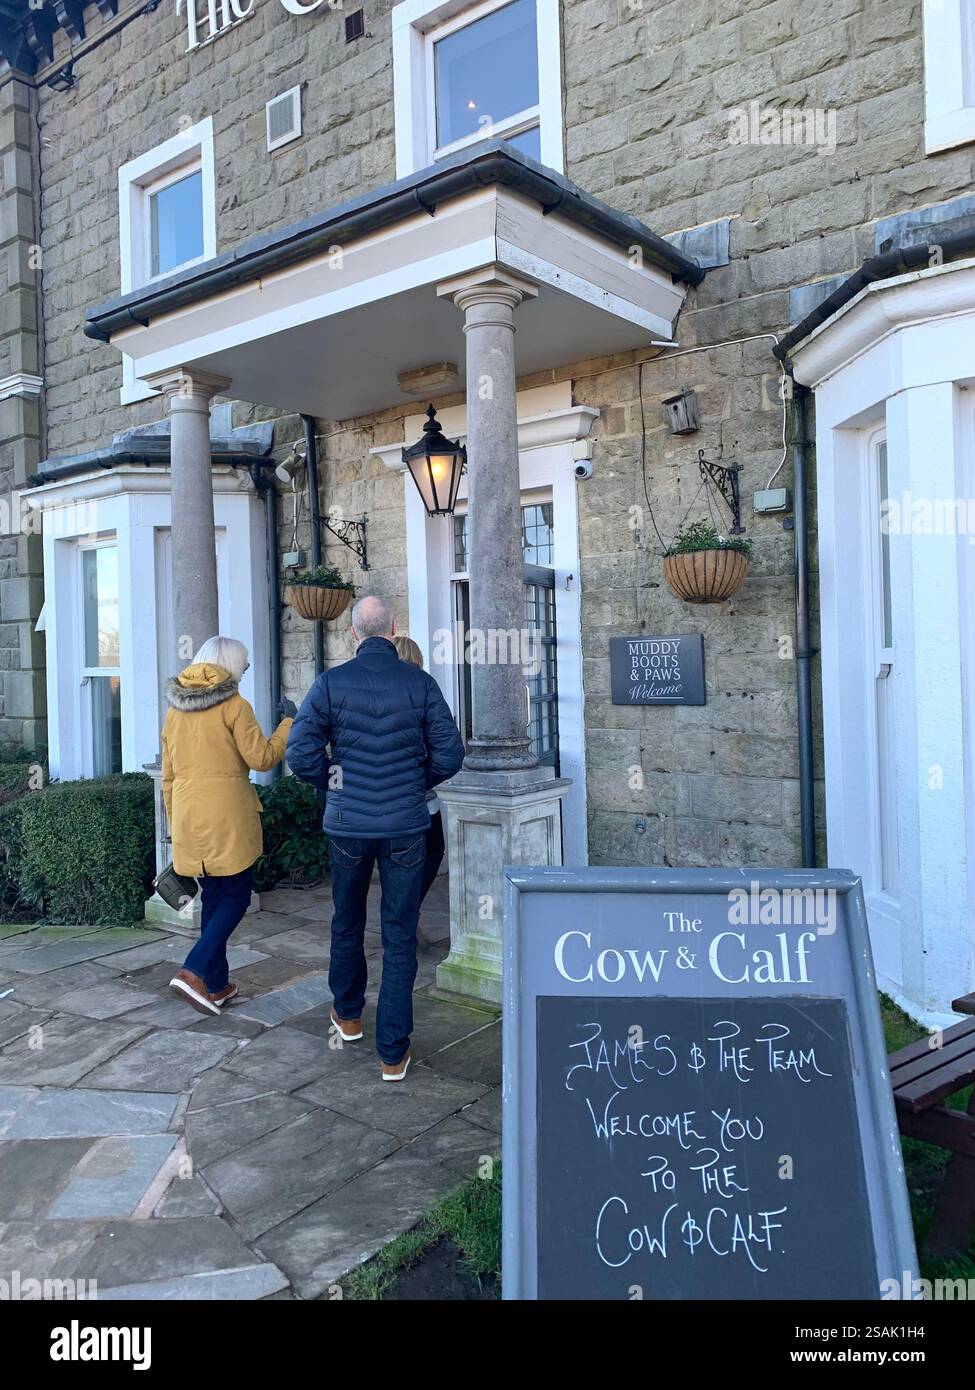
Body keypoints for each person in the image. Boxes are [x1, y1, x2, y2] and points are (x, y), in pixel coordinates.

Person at [287, 596, 464, 1082]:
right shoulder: (420, 683)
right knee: (399, 933)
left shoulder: (329, 683)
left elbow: (300, 754)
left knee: (346, 920)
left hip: (348, 824)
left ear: (354, 635)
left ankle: (347, 1017)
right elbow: (451, 754)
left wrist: (338, 783)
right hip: (406, 824)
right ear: (393, 629)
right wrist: (411, 781)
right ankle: (392, 1052)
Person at [162, 636, 296, 1016]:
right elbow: (263, 757)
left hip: (189, 817)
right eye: (245, 663)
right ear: (231, 666)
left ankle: (216, 985)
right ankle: (192, 970)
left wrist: (176, 822)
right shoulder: (235, 706)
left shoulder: (174, 711)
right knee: (236, 897)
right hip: (227, 817)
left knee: (214, 899)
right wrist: (289, 723)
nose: (247, 669)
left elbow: (168, 778)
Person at [393, 635, 445, 909]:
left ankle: (402, 914)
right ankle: (405, 914)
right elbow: (444, 751)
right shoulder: (423, 689)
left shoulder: (376, 691)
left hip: (380, 799)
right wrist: (423, 780)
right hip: (419, 798)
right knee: (431, 853)